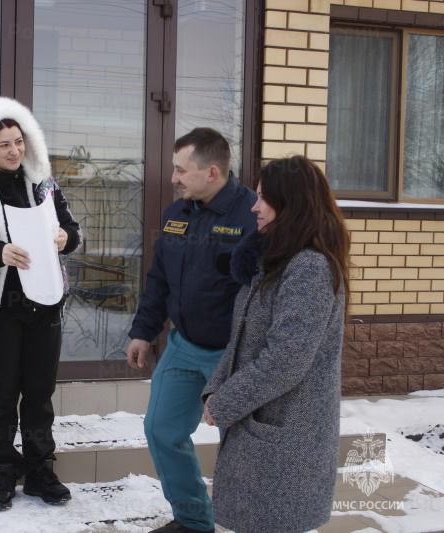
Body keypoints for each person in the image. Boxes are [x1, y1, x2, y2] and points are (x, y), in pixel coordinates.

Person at [201, 155, 350, 533]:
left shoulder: (309, 268)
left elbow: (286, 359)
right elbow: (242, 338)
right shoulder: (276, 260)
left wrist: (227, 401)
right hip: (262, 430)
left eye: (264, 197)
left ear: (291, 203)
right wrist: (216, 391)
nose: (254, 205)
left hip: (286, 438)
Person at [0, 96, 82, 511]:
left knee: (40, 393)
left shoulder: (44, 185)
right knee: (2, 394)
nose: (14, 151)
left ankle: (41, 470)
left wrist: (66, 238)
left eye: (19, 142)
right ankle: (3, 471)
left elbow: (73, 231)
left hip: (45, 304)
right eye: (4, 143)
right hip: (2, 308)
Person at [125, 128, 258, 533]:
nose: (173, 178)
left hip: (231, 354)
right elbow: (159, 281)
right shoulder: (175, 215)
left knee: (245, 448)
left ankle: (249, 523)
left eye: (181, 170)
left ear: (212, 172)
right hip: (183, 347)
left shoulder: (252, 217)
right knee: (161, 429)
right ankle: (194, 521)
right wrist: (143, 332)